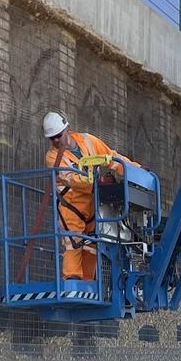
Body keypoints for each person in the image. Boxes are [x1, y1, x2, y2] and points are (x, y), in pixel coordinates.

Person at [42, 111, 137, 282]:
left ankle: (87, 284)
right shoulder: (52, 157)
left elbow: (112, 157)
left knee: (92, 244)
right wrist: (96, 182)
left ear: (67, 129)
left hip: (92, 204)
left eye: (58, 135)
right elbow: (70, 178)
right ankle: (72, 281)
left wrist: (136, 170)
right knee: (73, 242)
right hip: (71, 206)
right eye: (52, 138)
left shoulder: (87, 141)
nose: (56, 140)